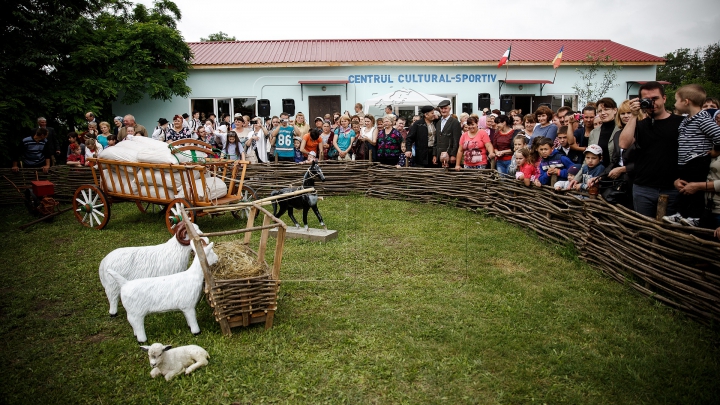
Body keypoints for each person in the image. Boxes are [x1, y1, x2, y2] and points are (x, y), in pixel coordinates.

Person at [619, 81, 685, 218]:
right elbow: (624, 144)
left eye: (655, 99)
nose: (651, 103)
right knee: (644, 229)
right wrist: (633, 115)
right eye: (646, 100)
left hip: (672, 187)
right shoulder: (640, 124)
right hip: (644, 187)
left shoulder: (680, 123)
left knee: (670, 231)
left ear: (664, 98)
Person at [663, 84, 720, 226]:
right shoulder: (686, 120)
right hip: (684, 162)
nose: (675, 104)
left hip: (698, 159)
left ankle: (695, 216)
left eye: (676, 100)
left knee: (695, 191)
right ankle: (681, 213)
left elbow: (718, 135)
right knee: (684, 189)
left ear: (686, 101)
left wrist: (716, 151)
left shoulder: (703, 119)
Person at [587, 98, 619, 168]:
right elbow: (588, 157)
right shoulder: (594, 133)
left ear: (615, 110)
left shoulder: (621, 129)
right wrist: (577, 178)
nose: (603, 113)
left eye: (606, 109)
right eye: (600, 111)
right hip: (598, 173)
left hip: (617, 173)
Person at [434, 99, 462, 168]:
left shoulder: (454, 122)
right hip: (439, 155)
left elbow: (457, 140)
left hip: (449, 155)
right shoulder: (438, 123)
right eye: (441, 108)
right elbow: (436, 140)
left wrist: (453, 155)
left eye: (445, 108)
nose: (443, 110)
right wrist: (434, 154)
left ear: (450, 109)